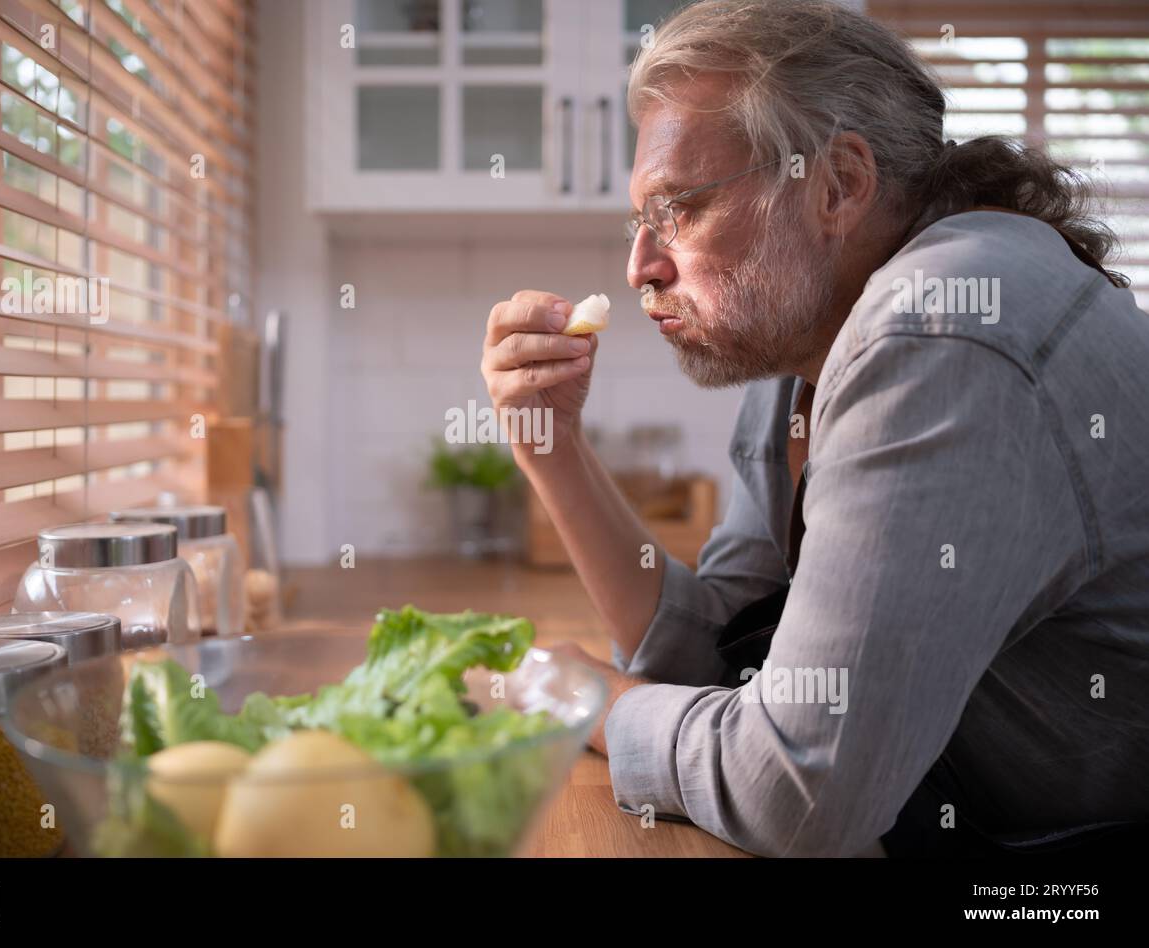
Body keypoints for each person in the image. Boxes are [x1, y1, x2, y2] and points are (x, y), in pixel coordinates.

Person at [479, 0, 1149, 857]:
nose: (641, 266)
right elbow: (719, 649)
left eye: (678, 209)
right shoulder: (809, 348)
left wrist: (593, 702)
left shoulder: (938, 330)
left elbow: (796, 793)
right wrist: (553, 451)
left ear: (837, 185)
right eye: (639, 220)